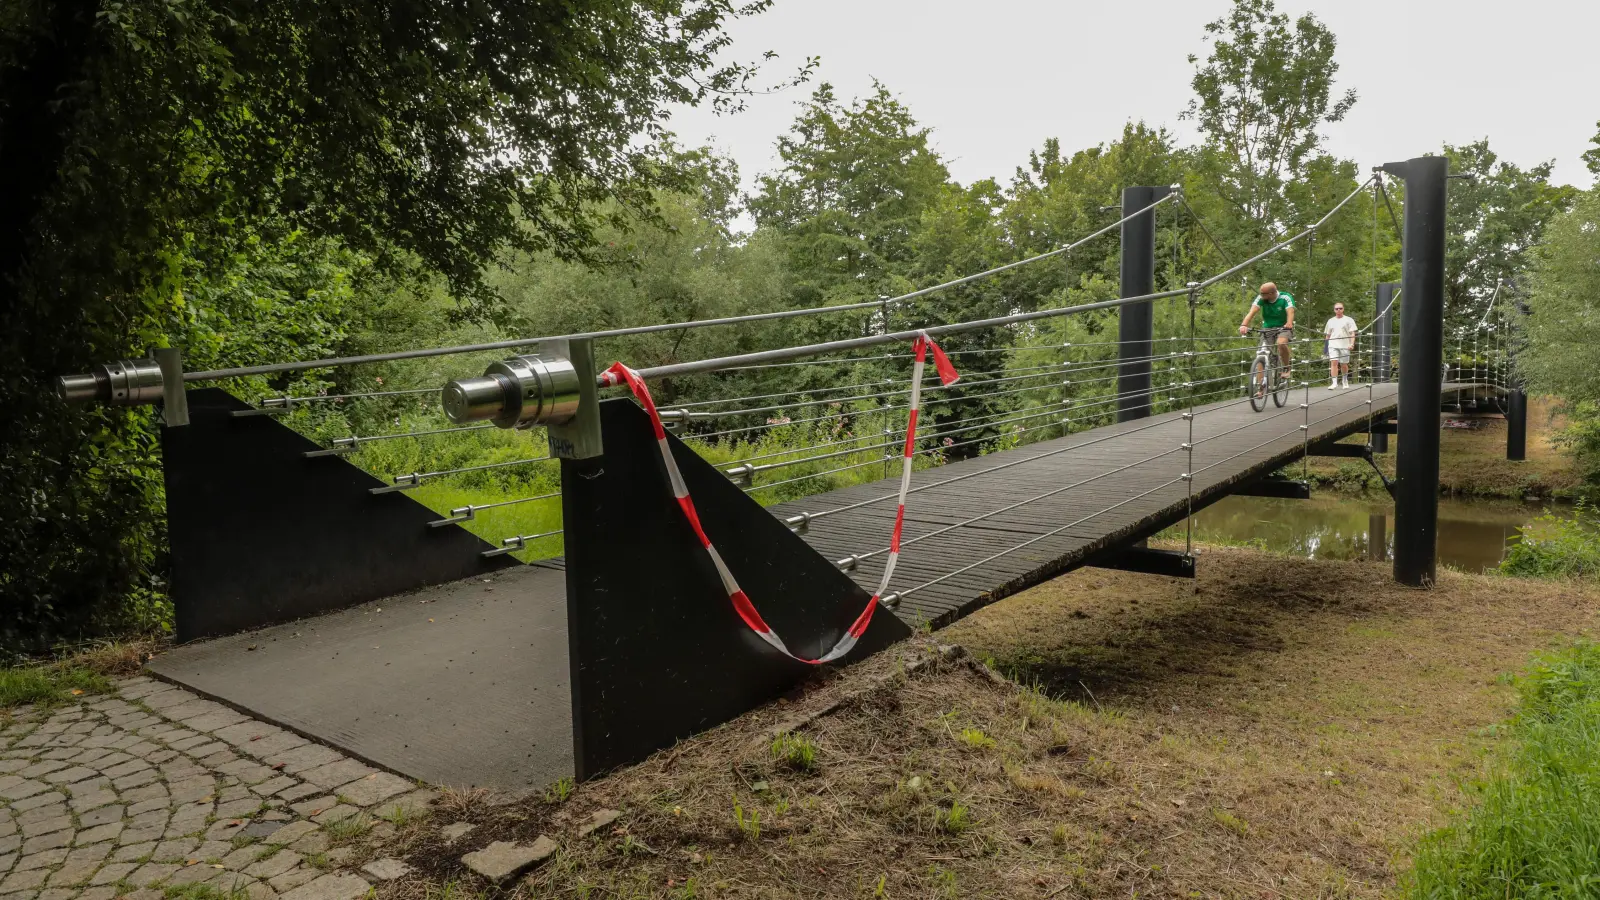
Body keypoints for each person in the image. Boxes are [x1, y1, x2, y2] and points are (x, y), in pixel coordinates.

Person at [1238, 282, 1295, 395]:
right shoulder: (1261, 298)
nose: (1261, 295)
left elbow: (1290, 311)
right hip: (1267, 329)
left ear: (1272, 293)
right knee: (1261, 354)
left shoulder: (1285, 297)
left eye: (1263, 294)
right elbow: (1252, 311)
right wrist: (1244, 325)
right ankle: (1261, 388)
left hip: (1284, 327)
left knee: (1281, 343)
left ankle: (1286, 368)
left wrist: (1289, 323)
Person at [1323, 302, 1358, 389]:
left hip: (1344, 345)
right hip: (1333, 344)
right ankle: (1334, 382)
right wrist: (1325, 349)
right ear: (1334, 310)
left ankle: (1344, 380)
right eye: (1336, 309)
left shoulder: (1349, 320)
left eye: (1340, 308)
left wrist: (1351, 343)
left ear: (1343, 309)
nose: (1338, 310)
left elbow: (1352, 333)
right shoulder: (1330, 321)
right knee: (1334, 362)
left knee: (1344, 364)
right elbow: (1327, 335)